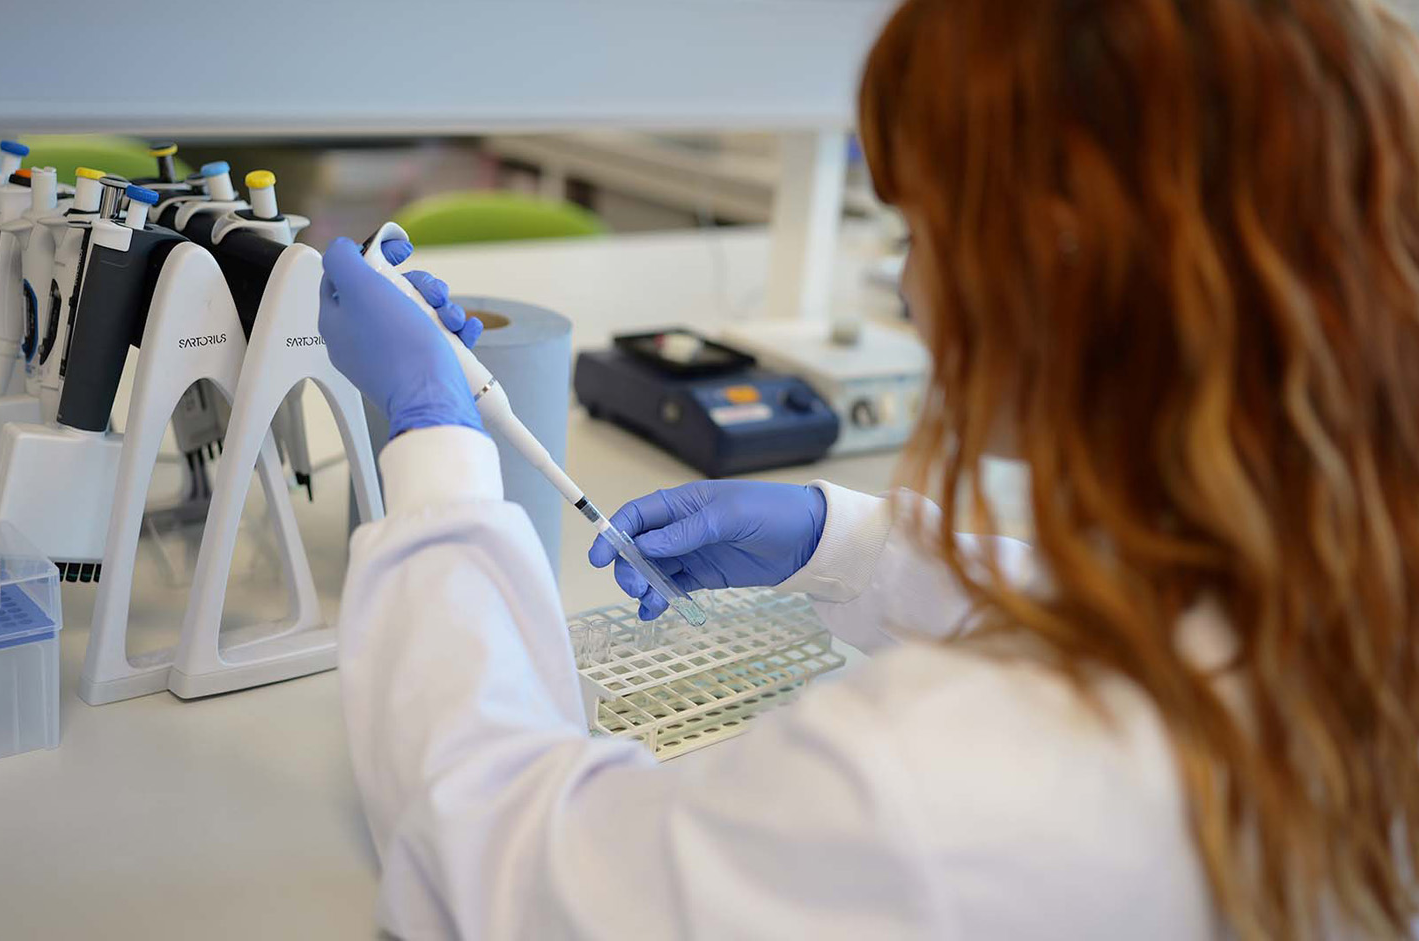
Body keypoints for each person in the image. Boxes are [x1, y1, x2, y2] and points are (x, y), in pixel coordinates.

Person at [318, 0, 1419, 936]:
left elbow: (500, 860)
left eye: (925, 227)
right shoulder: (1355, 581)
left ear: (1060, 264)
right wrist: (844, 543)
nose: (902, 285)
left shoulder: (929, 780)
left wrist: (432, 433)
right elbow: (1142, 625)